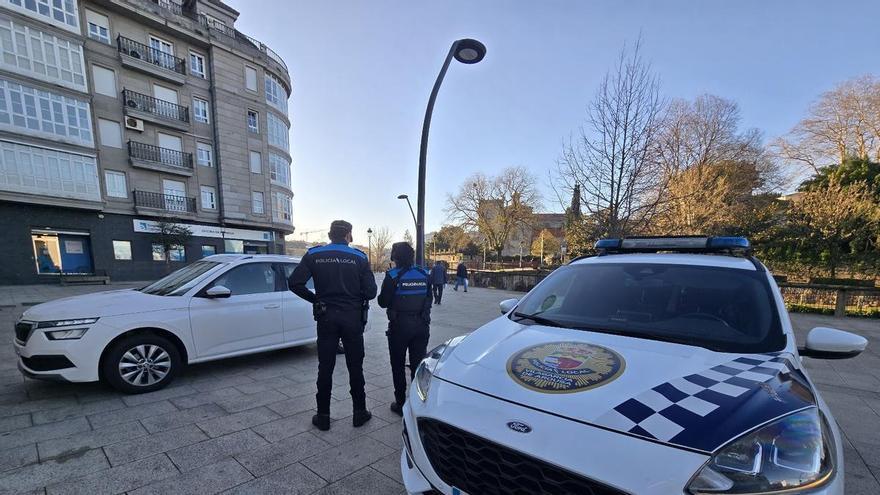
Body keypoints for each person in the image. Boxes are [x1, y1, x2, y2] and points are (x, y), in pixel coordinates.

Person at [288, 220, 377, 431]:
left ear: (330, 234)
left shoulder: (314, 255)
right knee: (355, 366)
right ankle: (359, 412)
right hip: (352, 318)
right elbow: (372, 292)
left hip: (326, 317)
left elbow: (294, 283)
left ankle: (323, 416)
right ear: (348, 235)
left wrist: (315, 300)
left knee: (325, 367)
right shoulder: (360, 257)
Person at [377, 242, 432, 416]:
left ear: (395, 257)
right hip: (421, 326)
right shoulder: (424, 274)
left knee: (398, 365)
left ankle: (400, 402)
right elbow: (429, 298)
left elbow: (383, 302)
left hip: (399, 326)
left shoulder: (393, 276)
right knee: (418, 364)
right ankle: (417, 402)